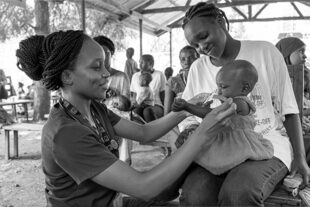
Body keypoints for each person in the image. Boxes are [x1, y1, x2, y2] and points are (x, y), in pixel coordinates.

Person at [15, 30, 236, 207]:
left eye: (106, 65)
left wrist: (186, 109)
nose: (106, 74)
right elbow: (143, 186)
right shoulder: (65, 132)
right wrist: (203, 132)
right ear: (67, 76)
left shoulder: (94, 109)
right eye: (97, 67)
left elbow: (144, 133)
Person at [177, 2, 310, 206]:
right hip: (219, 148)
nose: (201, 48)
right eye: (195, 45)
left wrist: (300, 158)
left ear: (220, 22)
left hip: (267, 145)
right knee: (195, 196)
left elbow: (289, 111)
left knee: (238, 193)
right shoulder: (198, 68)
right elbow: (189, 116)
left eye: (203, 37)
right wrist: (188, 128)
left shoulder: (264, 52)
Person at [173, 59, 274, 175]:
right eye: (217, 86)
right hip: (225, 136)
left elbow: (213, 115)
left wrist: (188, 106)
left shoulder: (240, 103)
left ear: (244, 88)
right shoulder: (230, 99)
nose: (218, 90)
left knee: (211, 158)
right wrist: (204, 107)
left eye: (223, 86)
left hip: (236, 142)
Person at [164, 45, 199, 115]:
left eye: (191, 58)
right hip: (182, 120)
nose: (187, 62)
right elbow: (167, 112)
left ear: (198, 59)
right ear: (180, 62)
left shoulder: (205, 78)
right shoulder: (173, 81)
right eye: (183, 59)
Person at [130, 54, 166, 122]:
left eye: (142, 62)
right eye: (139, 62)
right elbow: (133, 95)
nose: (139, 65)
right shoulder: (135, 76)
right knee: (135, 112)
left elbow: (163, 95)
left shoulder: (159, 74)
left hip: (156, 105)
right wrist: (134, 104)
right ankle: (140, 131)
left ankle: (154, 131)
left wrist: (167, 112)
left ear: (151, 63)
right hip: (140, 104)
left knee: (147, 112)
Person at [93, 35, 130, 100]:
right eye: (96, 53)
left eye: (105, 53)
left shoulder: (122, 77)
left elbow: (126, 104)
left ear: (112, 53)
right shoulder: (89, 77)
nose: (101, 57)